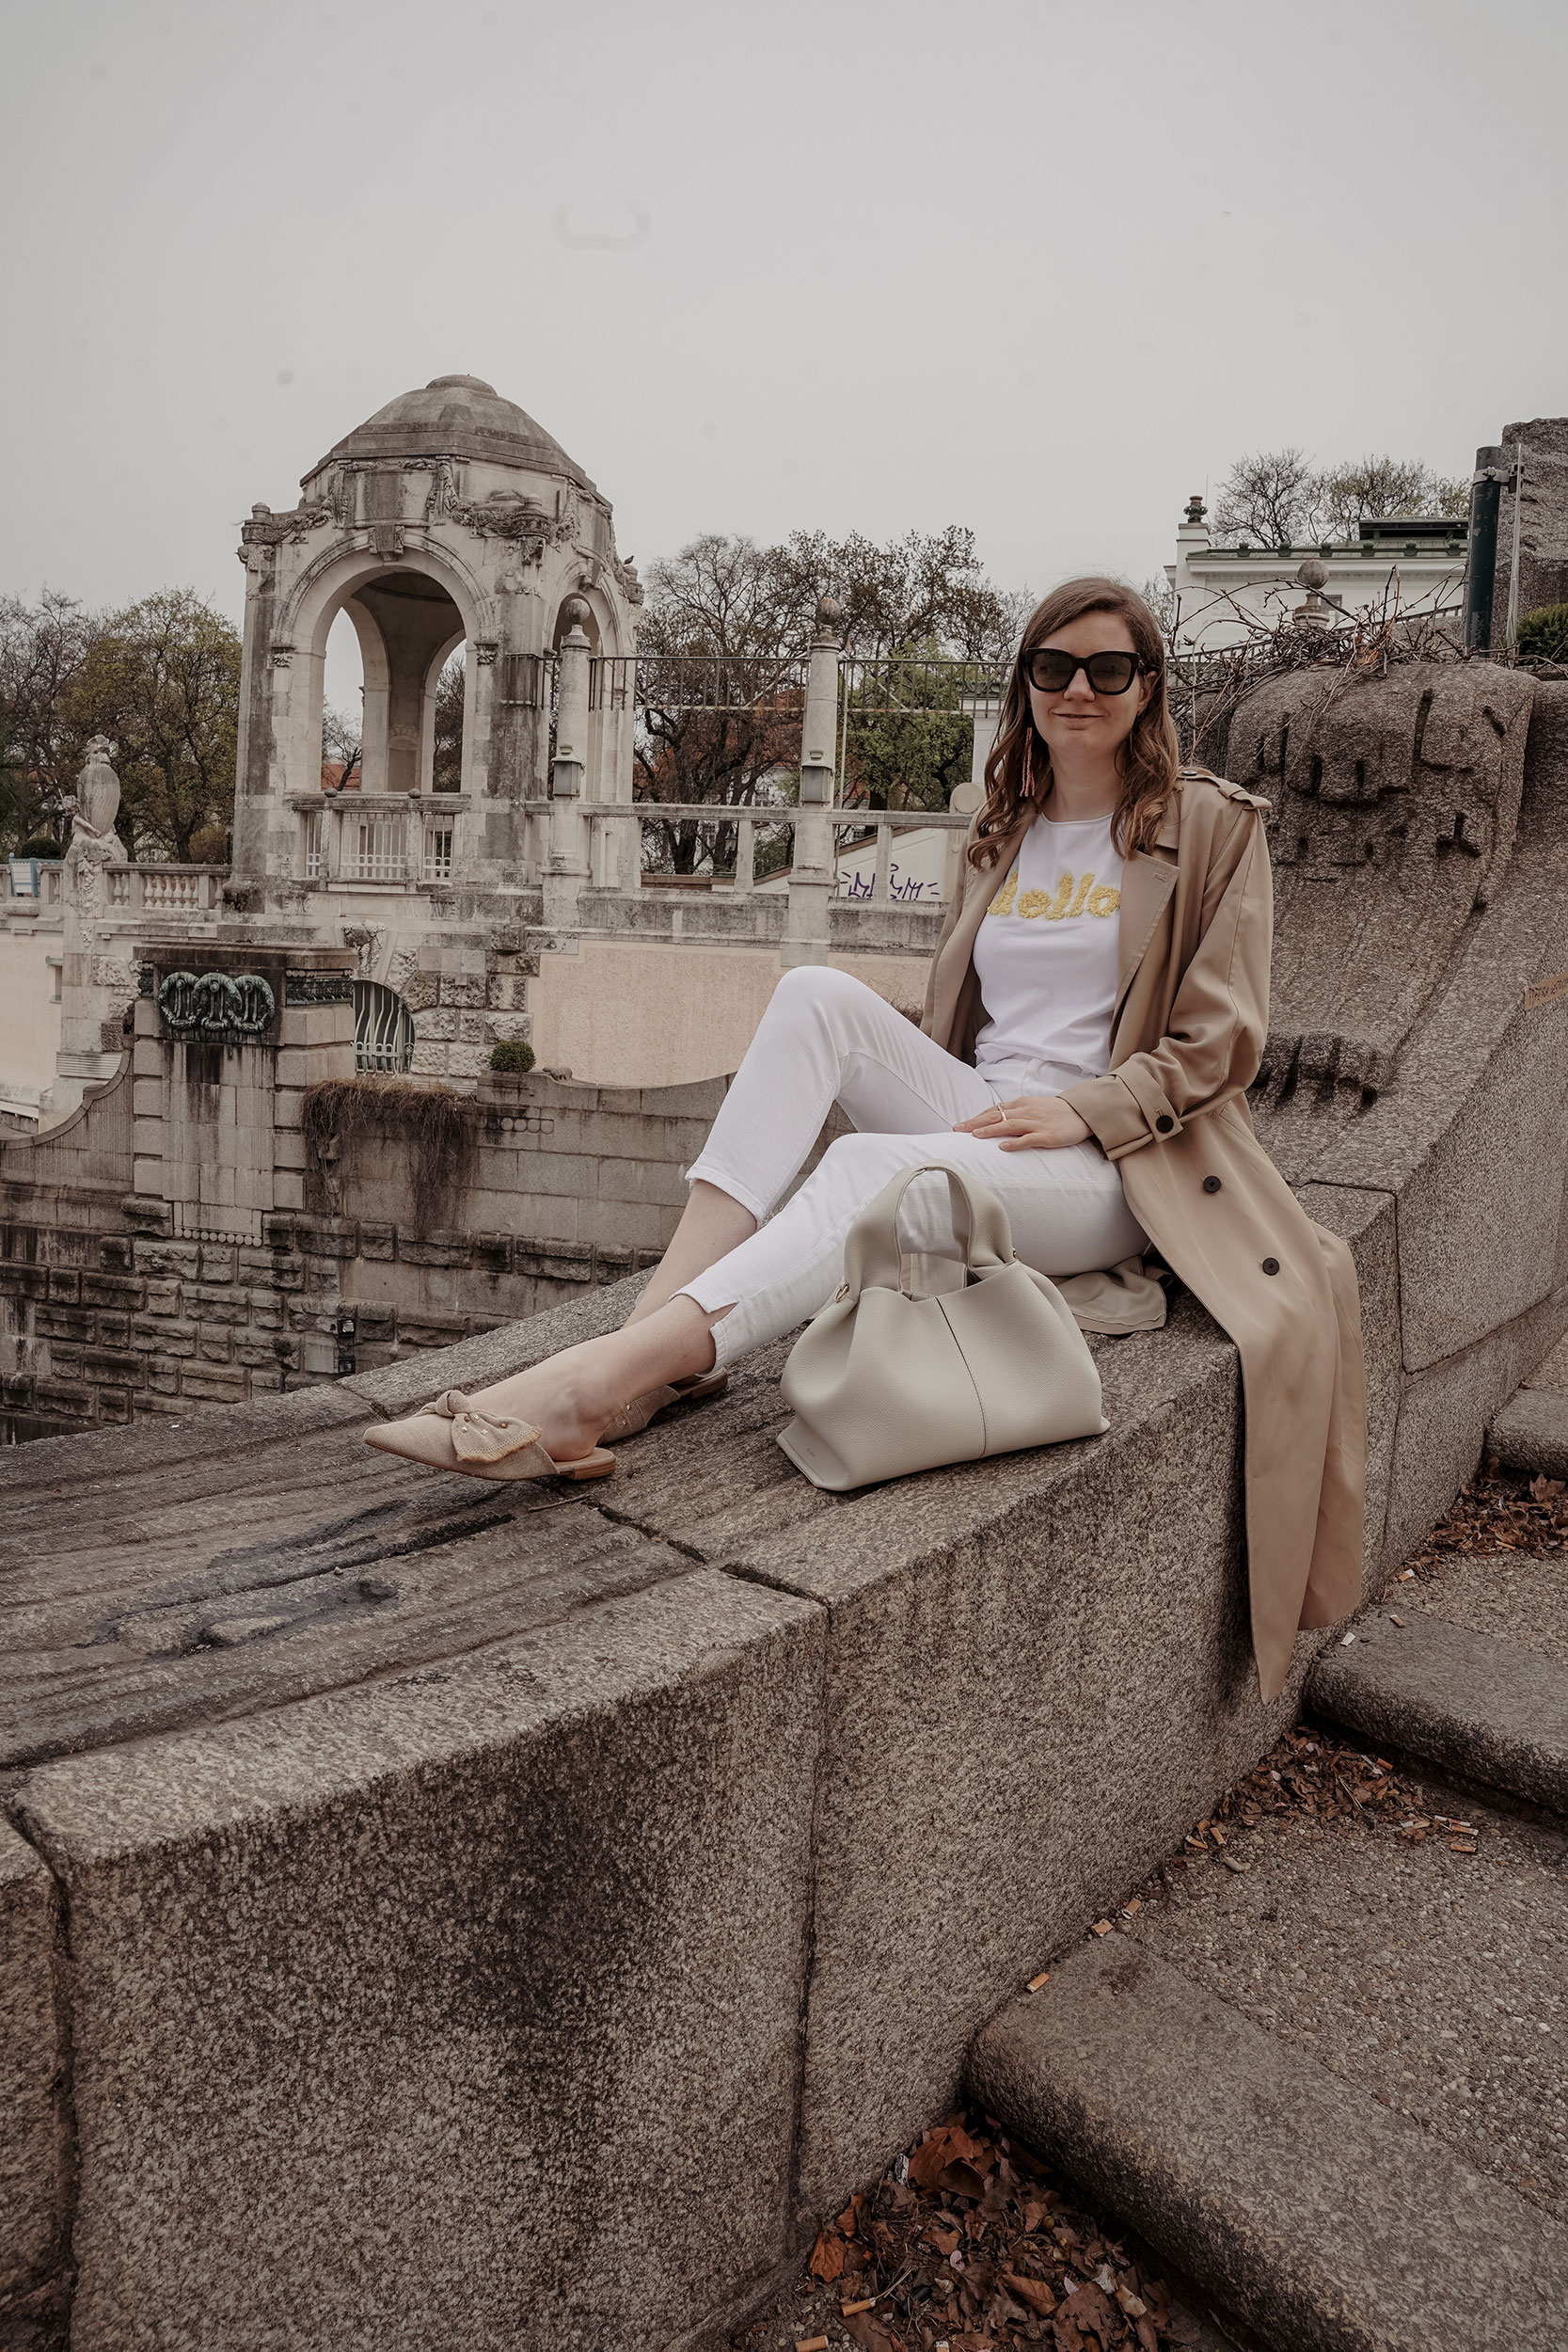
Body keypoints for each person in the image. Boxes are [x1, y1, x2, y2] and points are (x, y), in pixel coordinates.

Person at [367, 576, 1367, 1701]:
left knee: (862, 1167)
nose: (1077, 690)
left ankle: (588, 1390)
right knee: (811, 995)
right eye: (1052, 668)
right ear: (1023, 687)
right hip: (991, 1122)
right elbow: (972, 1034)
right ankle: (655, 1343)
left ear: (1146, 688)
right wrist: (993, 1103)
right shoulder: (998, 835)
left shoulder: (1209, 826)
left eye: (1106, 669)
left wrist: (1082, 1109)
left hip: (1115, 1166)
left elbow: (1218, 1046)